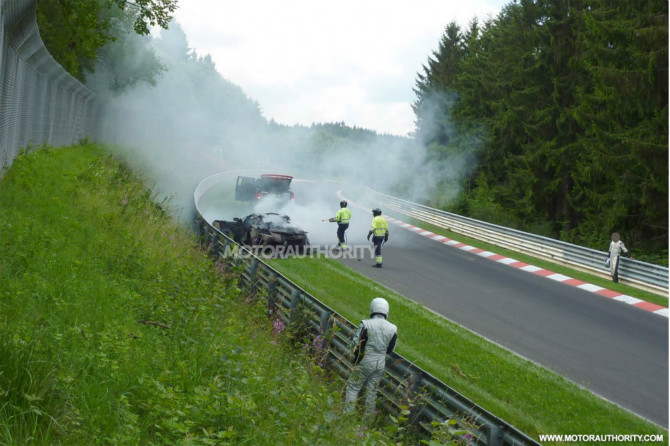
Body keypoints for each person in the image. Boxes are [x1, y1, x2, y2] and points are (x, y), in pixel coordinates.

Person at [344, 297, 398, 416]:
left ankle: (347, 416)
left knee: (353, 387)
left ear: (372, 309)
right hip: (380, 363)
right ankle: (367, 422)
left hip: (365, 360)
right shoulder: (393, 328)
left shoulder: (366, 324)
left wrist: (354, 355)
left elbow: (355, 342)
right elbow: (390, 349)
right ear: (386, 312)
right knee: (372, 392)